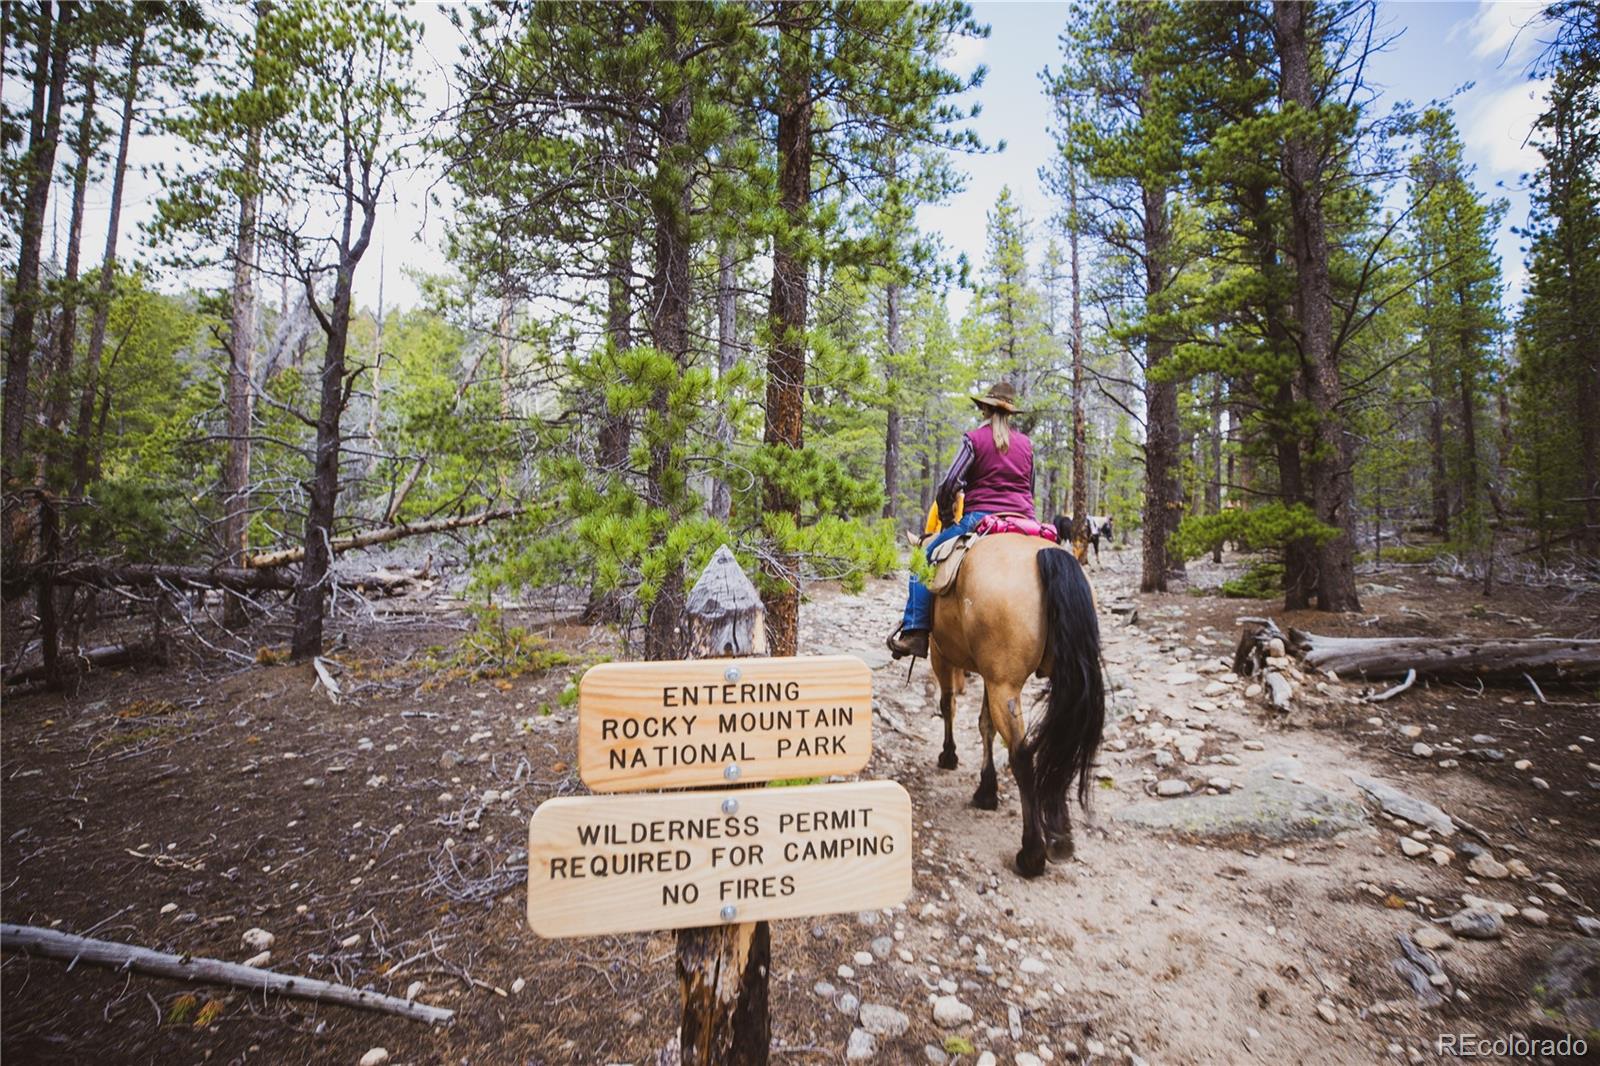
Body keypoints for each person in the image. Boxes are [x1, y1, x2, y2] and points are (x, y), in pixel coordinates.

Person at [887, 381, 1036, 659]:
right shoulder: (1026, 445)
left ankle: (916, 631)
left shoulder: (974, 439)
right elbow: (1031, 489)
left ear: (984, 409)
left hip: (982, 517)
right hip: (1024, 519)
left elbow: (949, 484)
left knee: (923, 558)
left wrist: (946, 517)